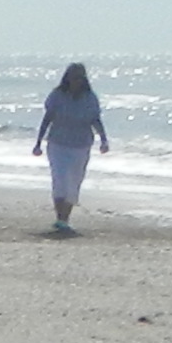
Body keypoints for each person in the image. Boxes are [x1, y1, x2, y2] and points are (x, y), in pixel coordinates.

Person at [32, 62, 109, 233]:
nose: (76, 81)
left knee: (74, 182)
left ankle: (65, 218)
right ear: (67, 78)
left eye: (79, 77)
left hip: (81, 145)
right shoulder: (57, 95)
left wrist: (104, 140)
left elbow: (95, 120)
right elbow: (47, 118)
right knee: (60, 180)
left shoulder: (90, 97)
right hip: (58, 144)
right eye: (74, 77)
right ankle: (61, 219)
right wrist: (38, 143)